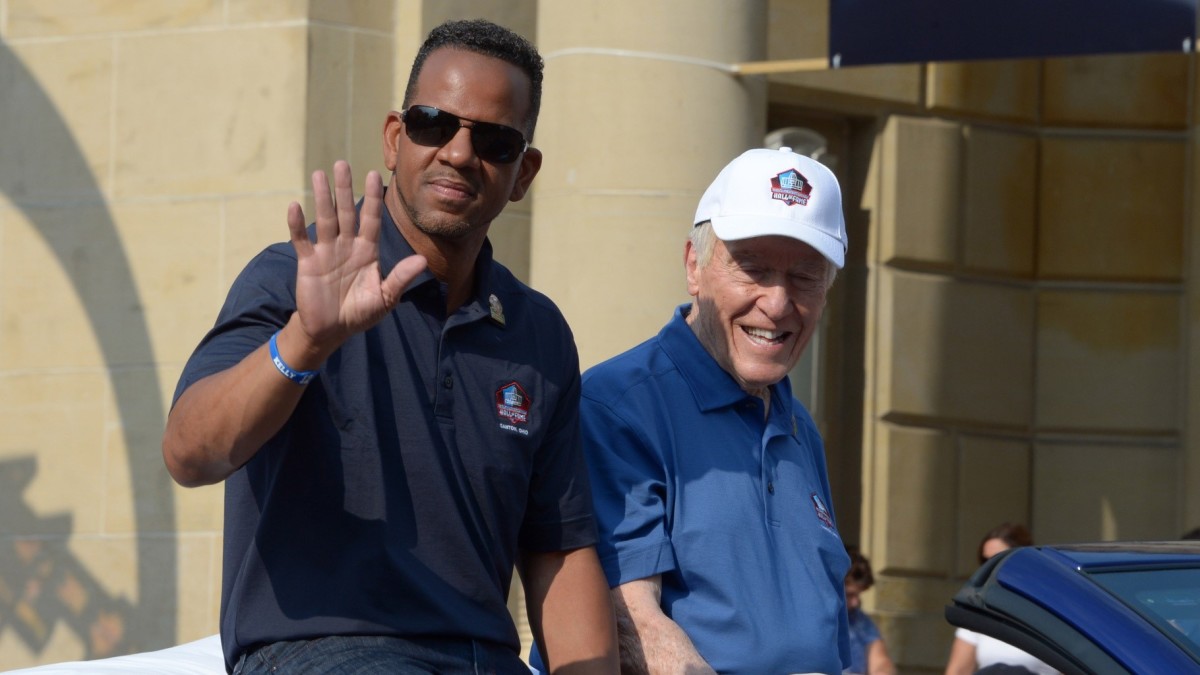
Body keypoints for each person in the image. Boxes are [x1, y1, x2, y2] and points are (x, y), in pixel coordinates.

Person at [162, 19, 618, 675]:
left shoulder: (537, 331)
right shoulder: (294, 277)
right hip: (323, 649)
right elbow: (189, 452)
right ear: (395, 139)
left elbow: (558, 548)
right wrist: (307, 341)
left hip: (485, 658)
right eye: (435, 123)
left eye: (494, 140)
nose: (460, 153)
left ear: (524, 172)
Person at [533, 147, 853, 674]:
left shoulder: (801, 430)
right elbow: (636, 633)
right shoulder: (619, 406)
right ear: (694, 266)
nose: (776, 303)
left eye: (805, 277)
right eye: (752, 268)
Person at [945, 523, 1057, 675]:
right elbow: (958, 670)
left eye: (997, 560)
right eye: (985, 562)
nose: (989, 568)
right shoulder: (978, 607)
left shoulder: (1049, 609)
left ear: (1023, 561)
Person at [844, 546, 897, 675]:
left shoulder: (859, 620)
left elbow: (881, 662)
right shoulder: (808, 619)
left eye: (858, 595)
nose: (856, 603)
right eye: (849, 595)